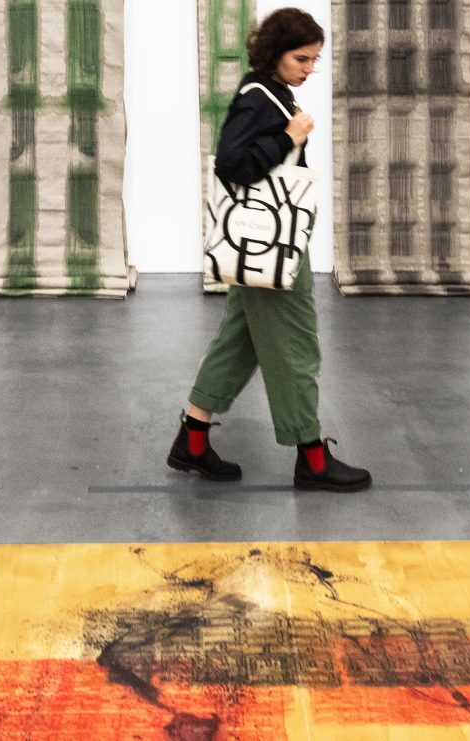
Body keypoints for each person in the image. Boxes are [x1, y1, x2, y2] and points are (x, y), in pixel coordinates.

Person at [167, 8, 372, 492]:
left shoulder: (274, 93)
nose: (308, 69)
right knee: (297, 348)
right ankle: (312, 458)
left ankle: (192, 442)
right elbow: (232, 164)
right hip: (272, 251)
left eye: (314, 60)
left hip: (258, 250)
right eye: (301, 58)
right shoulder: (260, 98)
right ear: (275, 52)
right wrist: (289, 137)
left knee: (238, 344)